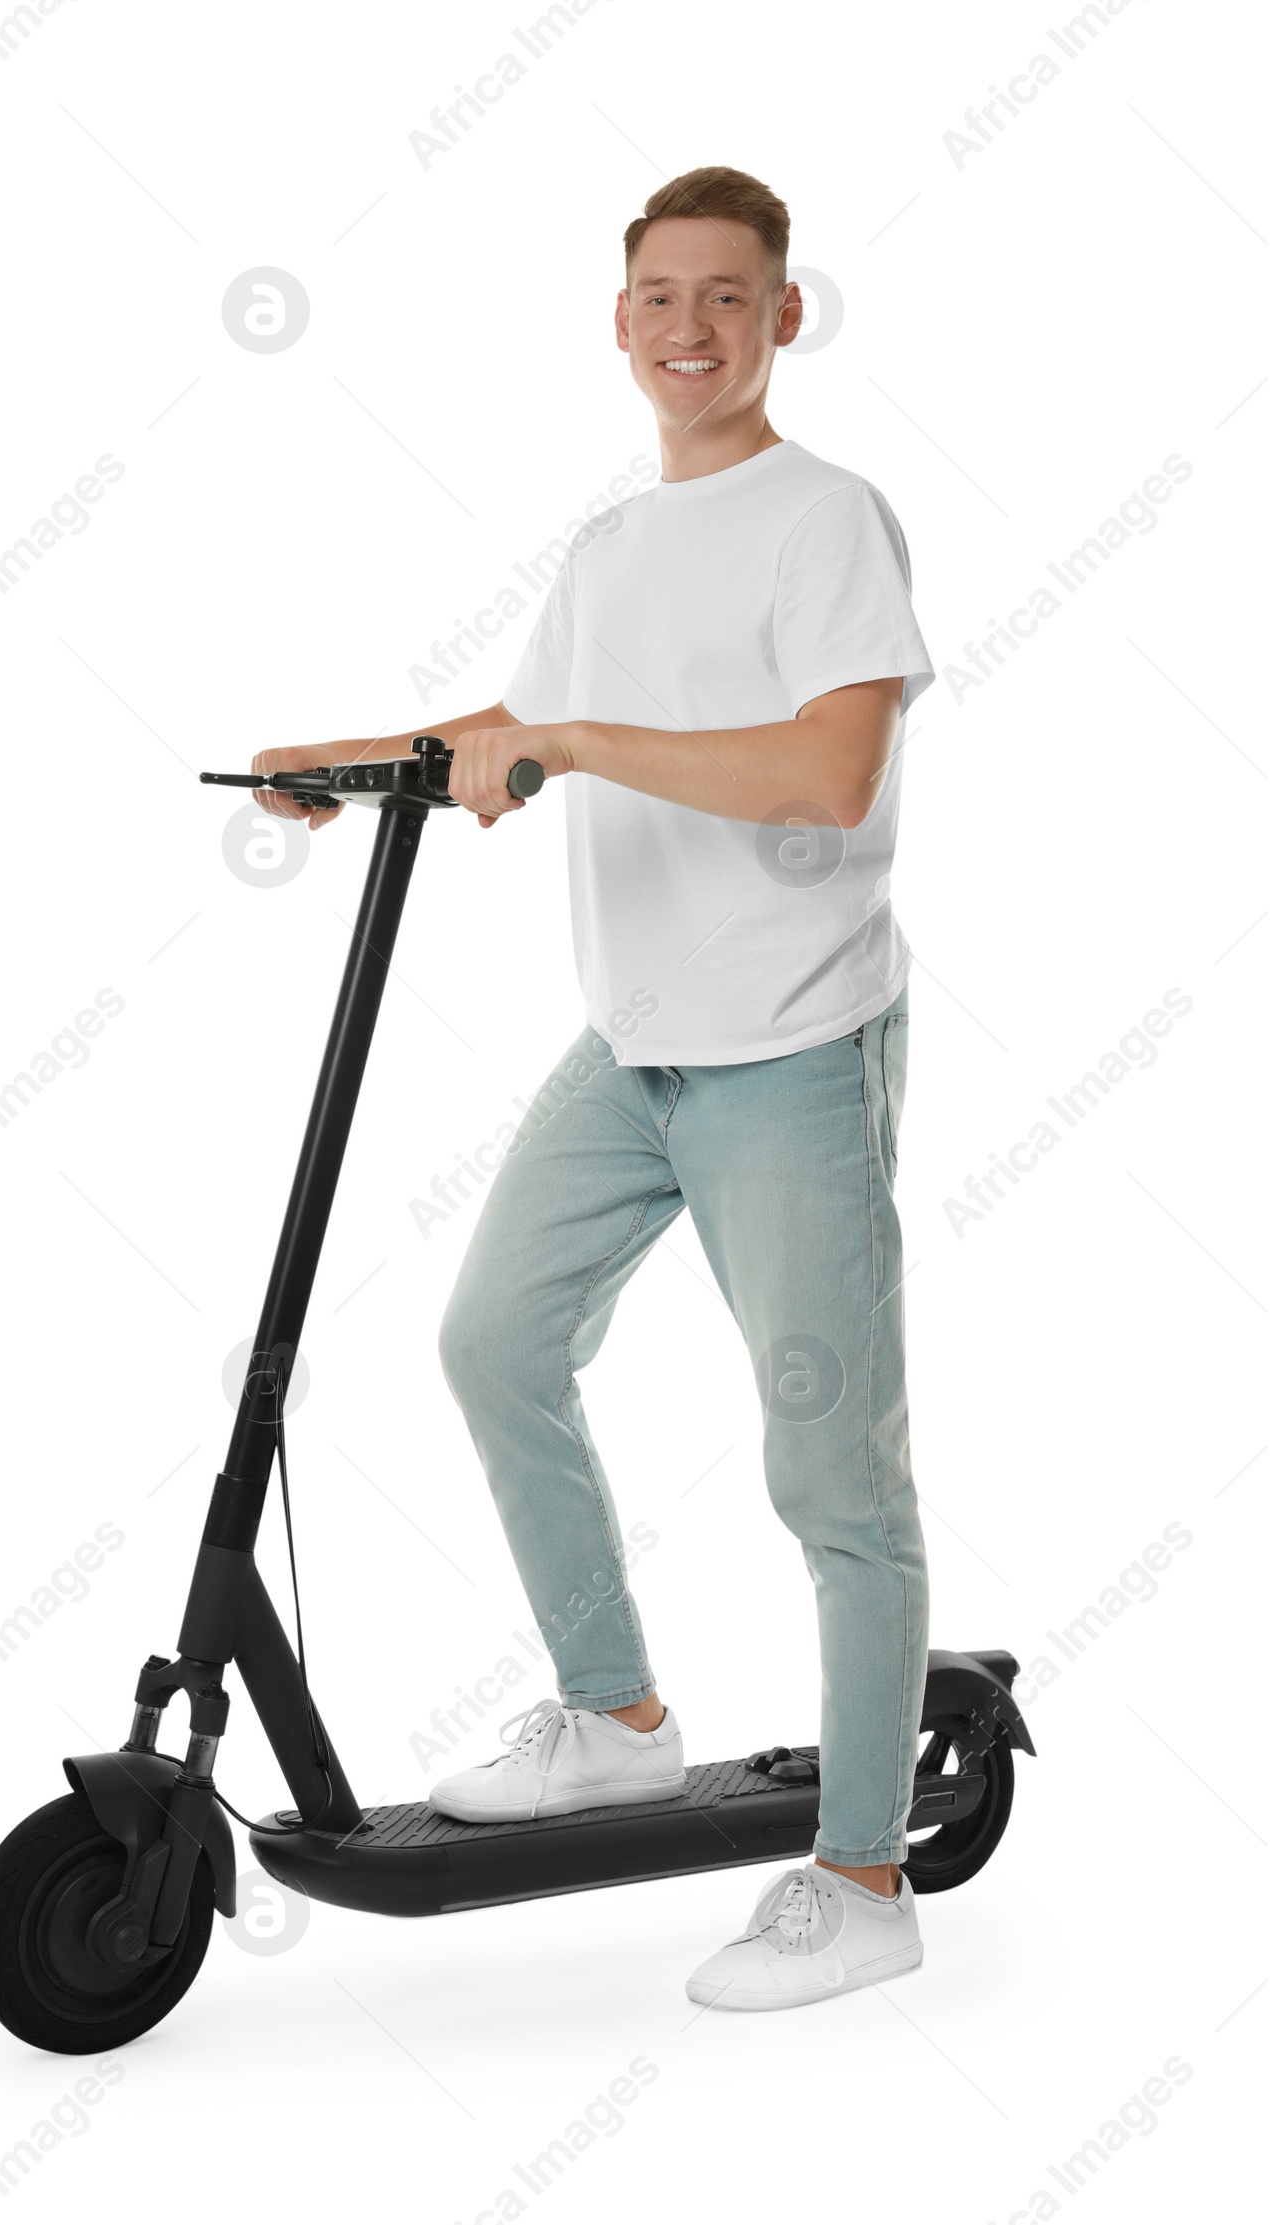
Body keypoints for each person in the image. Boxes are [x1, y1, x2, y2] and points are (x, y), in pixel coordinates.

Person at [252, 166, 934, 2012]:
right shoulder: (611, 553)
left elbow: (824, 777)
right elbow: (517, 736)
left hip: (789, 1041)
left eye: (728, 298)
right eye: (658, 300)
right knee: (492, 1338)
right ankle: (618, 1709)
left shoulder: (829, 520)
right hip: (630, 1043)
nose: (689, 331)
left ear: (785, 317)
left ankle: (865, 1874)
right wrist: (350, 757)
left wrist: (554, 736)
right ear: (618, 321)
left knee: (831, 1472)